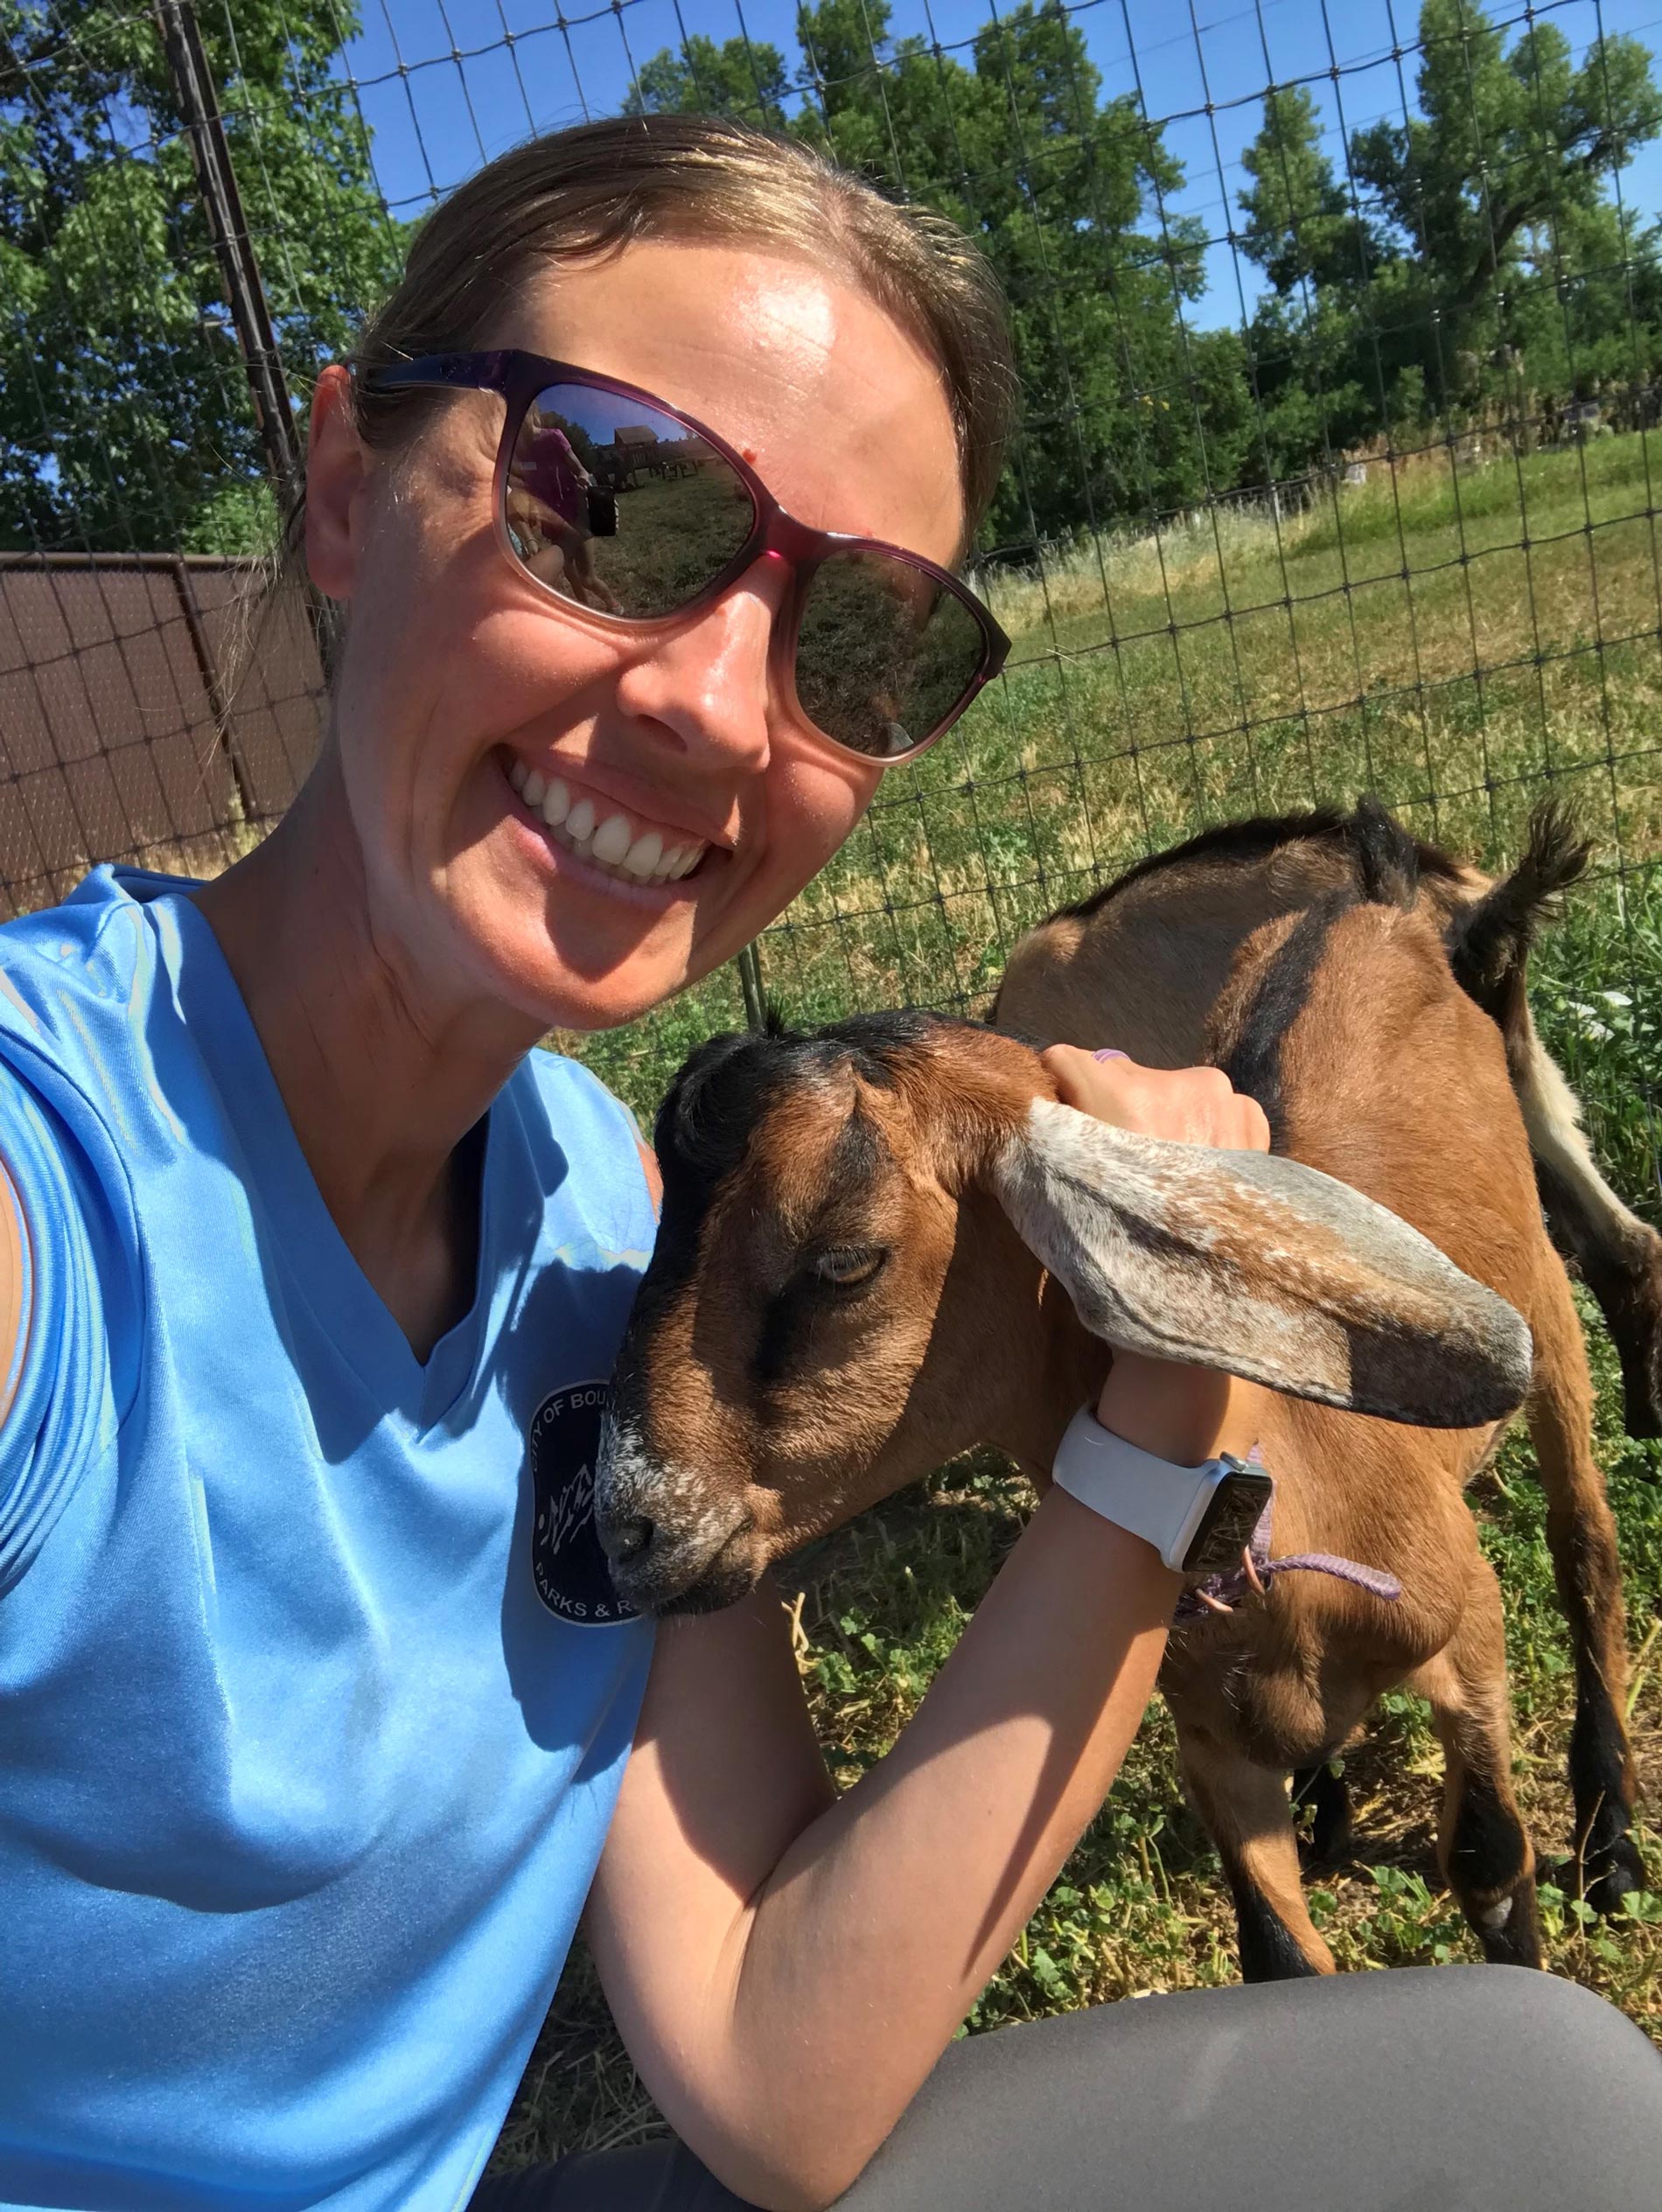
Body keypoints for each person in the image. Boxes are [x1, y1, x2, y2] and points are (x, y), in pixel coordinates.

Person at [0, 113, 1656, 2212]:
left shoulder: (609, 1228)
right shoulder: (42, 1201)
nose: (714, 703)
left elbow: (774, 2059)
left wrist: (1159, 1375)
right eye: (609, 499)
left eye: (860, 642)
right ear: (344, 485)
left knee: (1547, 2108)